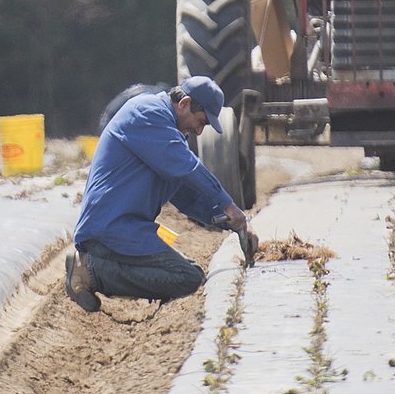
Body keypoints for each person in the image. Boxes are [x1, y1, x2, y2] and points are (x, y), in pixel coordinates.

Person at [65, 76, 256, 313]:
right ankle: (90, 272)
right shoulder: (147, 113)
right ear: (184, 103)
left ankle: (95, 268)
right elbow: (189, 167)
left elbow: (186, 197)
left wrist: (231, 224)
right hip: (109, 228)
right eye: (200, 122)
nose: (198, 131)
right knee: (186, 277)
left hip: (128, 229)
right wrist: (229, 205)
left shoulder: (168, 132)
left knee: (189, 272)